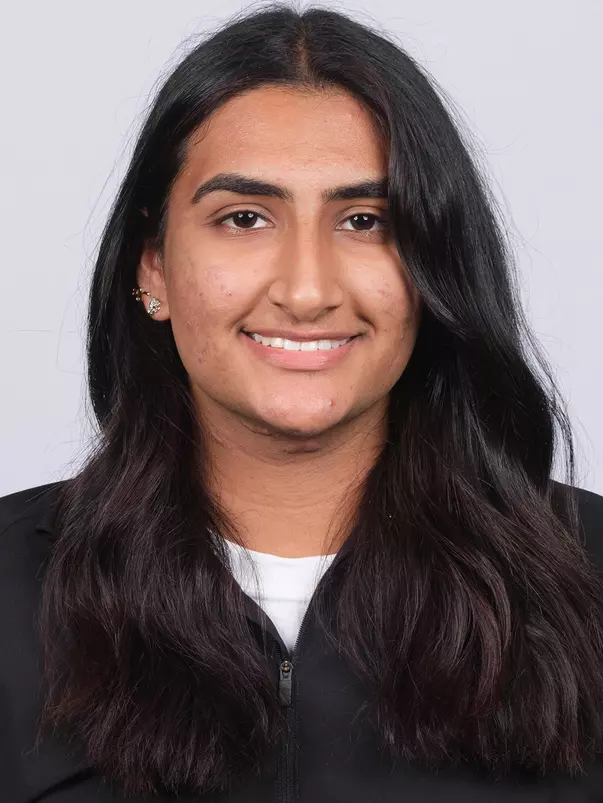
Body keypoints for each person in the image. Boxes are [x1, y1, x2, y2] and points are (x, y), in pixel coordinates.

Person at [1, 3, 603, 801]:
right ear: (151, 264)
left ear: (433, 266)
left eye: (364, 220)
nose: (308, 289)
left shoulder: (585, 580)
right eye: (243, 218)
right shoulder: (11, 590)